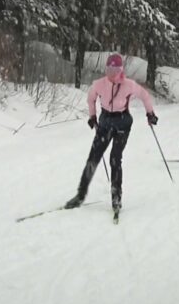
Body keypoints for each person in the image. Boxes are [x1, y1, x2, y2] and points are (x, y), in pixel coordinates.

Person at [65, 54, 158, 211]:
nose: (112, 73)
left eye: (115, 69)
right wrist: (93, 115)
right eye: (109, 69)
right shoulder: (99, 84)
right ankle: (80, 195)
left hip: (123, 123)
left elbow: (145, 96)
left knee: (115, 159)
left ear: (120, 70)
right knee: (93, 158)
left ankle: (116, 198)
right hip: (105, 123)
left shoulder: (129, 84)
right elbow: (91, 99)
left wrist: (150, 113)